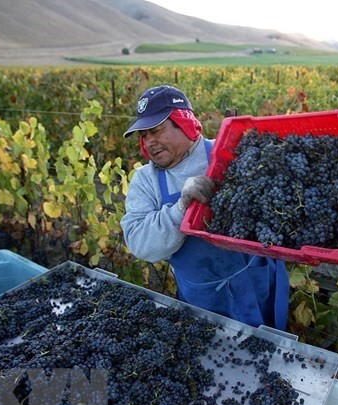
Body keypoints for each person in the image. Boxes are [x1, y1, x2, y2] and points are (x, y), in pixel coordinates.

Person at [120, 85, 290, 330]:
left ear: (184, 122)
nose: (150, 143)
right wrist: (181, 208)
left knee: (269, 347)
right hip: (202, 299)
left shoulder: (227, 153)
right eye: (144, 135)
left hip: (257, 280)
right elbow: (139, 243)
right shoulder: (145, 181)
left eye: (156, 131)